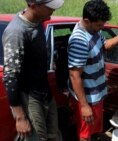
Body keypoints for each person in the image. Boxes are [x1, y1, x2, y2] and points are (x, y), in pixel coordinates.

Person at [67, 0, 118, 141]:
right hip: (87, 97)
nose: (101, 27)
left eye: (103, 24)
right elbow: (74, 75)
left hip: (96, 93)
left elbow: (104, 45)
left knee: (92, 129)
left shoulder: (93, 31)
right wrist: (84, 106)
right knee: (85, 134)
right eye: (99, 25)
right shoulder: (79, 40)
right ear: (87, 20)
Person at [2, 0, 64, 141]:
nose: (53, 11)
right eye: (49, 7)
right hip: (30, 98)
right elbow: (10, 77)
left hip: (45, 94)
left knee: (54, 136)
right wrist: (20, 117)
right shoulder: (16, 32)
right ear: (35, 6)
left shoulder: (38, 21)